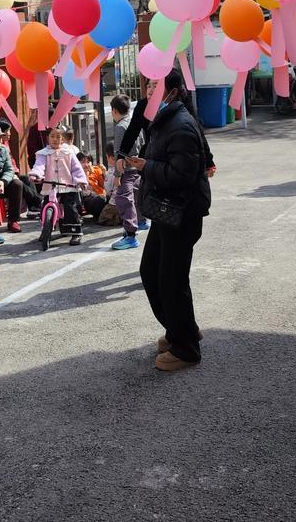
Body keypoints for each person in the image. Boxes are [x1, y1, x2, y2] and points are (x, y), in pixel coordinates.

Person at [125, 68, 211, 372]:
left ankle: (186, 349)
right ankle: (181, 330)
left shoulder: (181, 126)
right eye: (148, 85)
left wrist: (147, 166)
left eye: (155, 86)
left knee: (171, 281)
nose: (149, 91)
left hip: (181, 212)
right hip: (166, 211)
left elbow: (182, 175)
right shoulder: (161, 120)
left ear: (172, 92)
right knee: (151, 273)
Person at [30, 125, 89, 243]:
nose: (55, 139)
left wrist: (80, 180)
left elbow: (76, 168)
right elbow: (39, 166)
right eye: (52, 136)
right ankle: (46, 230)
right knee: (45, 206)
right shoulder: (43, 154)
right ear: (48, 138)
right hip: (50, 186)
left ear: (63, 139)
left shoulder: (68, 152)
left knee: (70, 208)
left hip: (67, 186)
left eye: (58, 137)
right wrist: (36, 174)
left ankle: (75, 232)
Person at [109, 93, 146, 250]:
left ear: (114, 111)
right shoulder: (134, 121)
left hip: (126, 168)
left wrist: (117, 176)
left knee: (123, 198)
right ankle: (142, 220)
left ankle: (130, 234)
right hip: (138, 166)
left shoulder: (120, 127)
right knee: (137, 194)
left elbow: (119, 155)